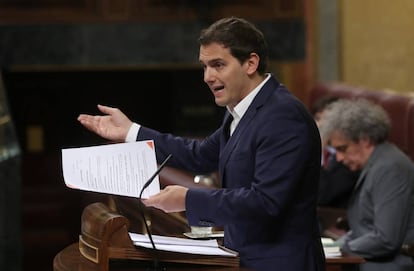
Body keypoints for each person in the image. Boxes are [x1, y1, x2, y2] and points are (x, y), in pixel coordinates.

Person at [78, 17, 326, 271]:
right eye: (205, 66)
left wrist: (188, 199)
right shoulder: (240, 111)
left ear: (251, 63)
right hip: (245, 257)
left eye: (218, 65)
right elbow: (197, 155)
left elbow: (265, 203)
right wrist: (131, 132)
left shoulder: (283, 116)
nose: (208, 77)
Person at [319, 98, 414, 271]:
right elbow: (362, 229)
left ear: (365, 140)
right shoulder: (377, 163)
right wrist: (330, 249)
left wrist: (339, 250)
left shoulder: (390, 168)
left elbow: (385, 239)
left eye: (342, 149)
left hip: (389, 265)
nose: (338, 158)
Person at [312, 96, 359, 208]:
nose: (320, 125)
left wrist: (318, 149)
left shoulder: (349, 156)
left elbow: (322, 196)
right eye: (317, 118)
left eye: (327, 120)